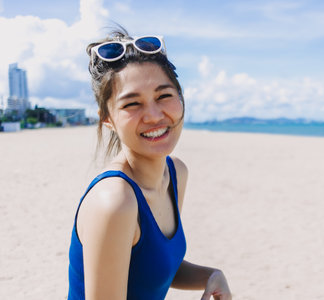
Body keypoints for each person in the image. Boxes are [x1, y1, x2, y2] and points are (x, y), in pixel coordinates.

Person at [68, 27, 232, 300]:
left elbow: (155, 268)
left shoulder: (175, 172)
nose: (154, 116)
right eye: (132, 103)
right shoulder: (114, 201)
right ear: (107, 118)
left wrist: (212, 276)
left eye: (164, 96)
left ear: (180, 99)